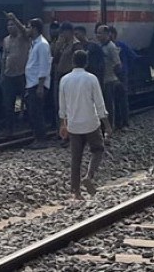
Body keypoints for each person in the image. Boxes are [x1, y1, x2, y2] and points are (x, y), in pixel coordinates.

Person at [59, 50, 109, 200]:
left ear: (73, 62)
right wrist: (107, 123)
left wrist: (63, 123)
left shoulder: (64, 80)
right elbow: (99, 103)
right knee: (98, 149)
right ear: (86, 63)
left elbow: (62, 106)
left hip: (74, 125)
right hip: (91, 123)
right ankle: (89, 176)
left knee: (76, 158)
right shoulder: (91, 79)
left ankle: (76, 192)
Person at [52, 22, 83, 142]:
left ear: (69, 31)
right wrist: (58, 46)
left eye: (63, 32)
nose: (61, 35)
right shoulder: (63, 45)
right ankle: (61, 132)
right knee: (59, 107)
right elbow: (55, 58)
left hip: (70, 78)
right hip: (60, 77)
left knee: (69, 107)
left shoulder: (76, 45)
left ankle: (69, 134)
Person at [1, 13, 31, 136]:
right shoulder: (6, 40)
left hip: (22, 74)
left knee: (28, 101)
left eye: (13, 25)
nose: (10, 27)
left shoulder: (23, 37)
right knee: (8, 104)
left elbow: (24, 30)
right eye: (9, 25)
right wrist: (2, 73)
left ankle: (29, 126)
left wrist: (15, 18)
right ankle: (9, 129)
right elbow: (4, 56)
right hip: (9, 75)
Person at [25, 17, 52, 148]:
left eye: (29, 27)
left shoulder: (42, 45)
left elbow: (43, 66)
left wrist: (41, 86)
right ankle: (37, 137)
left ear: (35, 29)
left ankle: (41, 139)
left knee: (37, 112)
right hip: (32, 83)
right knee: (33, 112)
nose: (27, 29)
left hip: (37, 83)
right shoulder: (35, 43)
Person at [109, 26, 136, 129]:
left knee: (121, 98)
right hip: (115, 74)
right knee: (116, 99)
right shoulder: (114, 46)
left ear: (115, 35)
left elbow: (133, 56)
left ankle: (124, 121)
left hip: (120, 74)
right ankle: (119, 121)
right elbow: (133, 57)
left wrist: (126, 68)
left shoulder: (121, 46)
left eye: (111, 33)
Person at [96, 25, 122, 133]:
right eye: (97, 33)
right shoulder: (100, 46)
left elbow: (118, 64)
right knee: (103, 104)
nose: (98, 35)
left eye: (100, 33)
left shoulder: (111, 47)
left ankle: (111, 125)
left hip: (110, 79)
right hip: (102, 80)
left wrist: (116, 77)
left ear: (107, 34)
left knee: (109, 105)